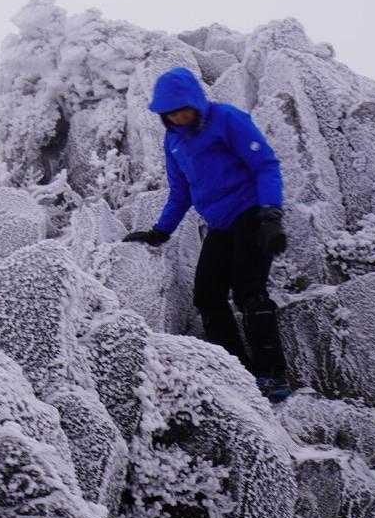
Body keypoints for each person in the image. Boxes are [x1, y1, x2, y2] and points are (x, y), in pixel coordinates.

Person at [123, 66, 292, 402]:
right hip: (220, 225)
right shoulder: (173, 141)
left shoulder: (227, 119)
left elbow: (265, 164)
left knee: (249, 291)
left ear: (196, 102)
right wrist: (160, 231)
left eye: (183, 109)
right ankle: (236, 371)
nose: (178, 117)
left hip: (251, 213)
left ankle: (273, 375)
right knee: (207, 295)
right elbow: (180, 192)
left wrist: (271, 214)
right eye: (171, 113)